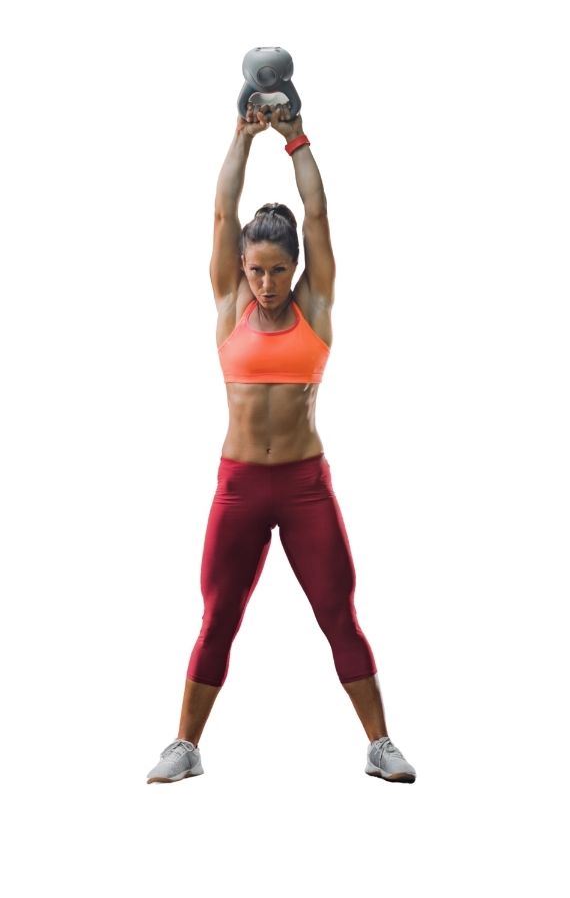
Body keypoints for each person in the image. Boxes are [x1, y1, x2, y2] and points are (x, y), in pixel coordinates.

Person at [146, 104, 416, 785]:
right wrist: (241, 138)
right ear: (241, 268)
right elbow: (222, 210)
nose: (266, 284)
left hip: (303, 488)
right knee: (219, 616)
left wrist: (295, 139)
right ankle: (185, 745)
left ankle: (380, 744)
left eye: (277, 271)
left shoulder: (314, 307)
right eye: (256, 271)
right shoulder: (229, 304)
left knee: (338, 614)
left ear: (296, 268)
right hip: (239, 486)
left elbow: (317, 214)